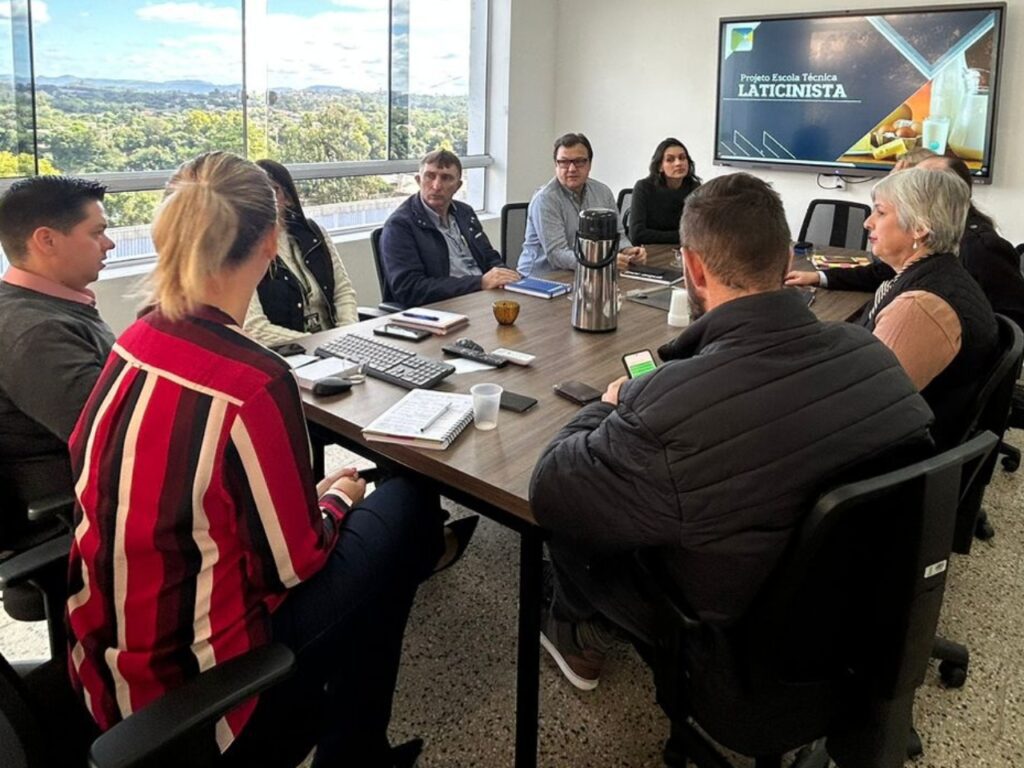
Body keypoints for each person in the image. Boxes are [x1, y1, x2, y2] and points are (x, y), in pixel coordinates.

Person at [66, 151, 445, 768]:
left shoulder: (134, 338)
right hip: (207, 690)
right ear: (271, 241)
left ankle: (360, 749)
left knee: (379, 559)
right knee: (409, 508)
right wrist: (334, 497)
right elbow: (298, 564)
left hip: (103, 665)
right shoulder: (254, 381)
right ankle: (354, 751)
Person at [530, 172, 933, 691]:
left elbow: (551, 489)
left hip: (729, 640)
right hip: (853, 621)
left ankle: (569, 625)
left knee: (588, 509)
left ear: (692, 267)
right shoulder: (876, 356)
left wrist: (611, 403)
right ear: (787, 260)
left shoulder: (668, 410)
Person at [786, 168, 999, 447]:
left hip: (894, 458)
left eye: (881, 212)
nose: (868, 223)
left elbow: (862, 410)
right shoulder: (936, 272)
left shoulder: (920, 308)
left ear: (920, 228)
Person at [0, 176, 115, 546]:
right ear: (46, 240)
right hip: (77, 525)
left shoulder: (39, 306)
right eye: (97, 232)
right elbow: (119, 442)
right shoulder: (37, 334)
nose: (108, 243)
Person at [380, 149, 519, 308]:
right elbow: (410, 289)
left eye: (446, 178)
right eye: (430, 176)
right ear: (419, 180)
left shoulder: (464, 213)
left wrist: (503, 275)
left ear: (457, 186)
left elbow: (489, 256)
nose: (437, 185)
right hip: (444, 308)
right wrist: (478, 283)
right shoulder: (400, 226)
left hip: (484, 298)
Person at [243, 158, 359, 346]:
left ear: (288, 198)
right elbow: (255, 328)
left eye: (272, 190)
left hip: (335, 345)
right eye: (255, 192)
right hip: (288, 354)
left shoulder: (313, 233)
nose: (263, 199)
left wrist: (348, 336)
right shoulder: (244, 248)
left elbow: (343, 293)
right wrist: (321, 344)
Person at [517, 133, 646, 275]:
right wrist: (603, 262)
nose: (572, 169)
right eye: (564, 162)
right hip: (540, 279)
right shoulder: (545, 200)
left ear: (589, 164)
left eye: (579, 161)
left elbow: (617, 234)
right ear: (556, 165)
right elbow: (557, 254)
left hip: (585, 272)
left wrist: (628, 251)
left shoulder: (602, 192)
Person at [627, 138, 701, 246]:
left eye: (682, 158)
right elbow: (637, 235)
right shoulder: (644, 188)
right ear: (660, 166)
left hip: (682, 251)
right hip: (650, 251)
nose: (678, 163)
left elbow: (700, 232)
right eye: (670, 160)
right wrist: (683, 236)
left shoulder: (695, 188)